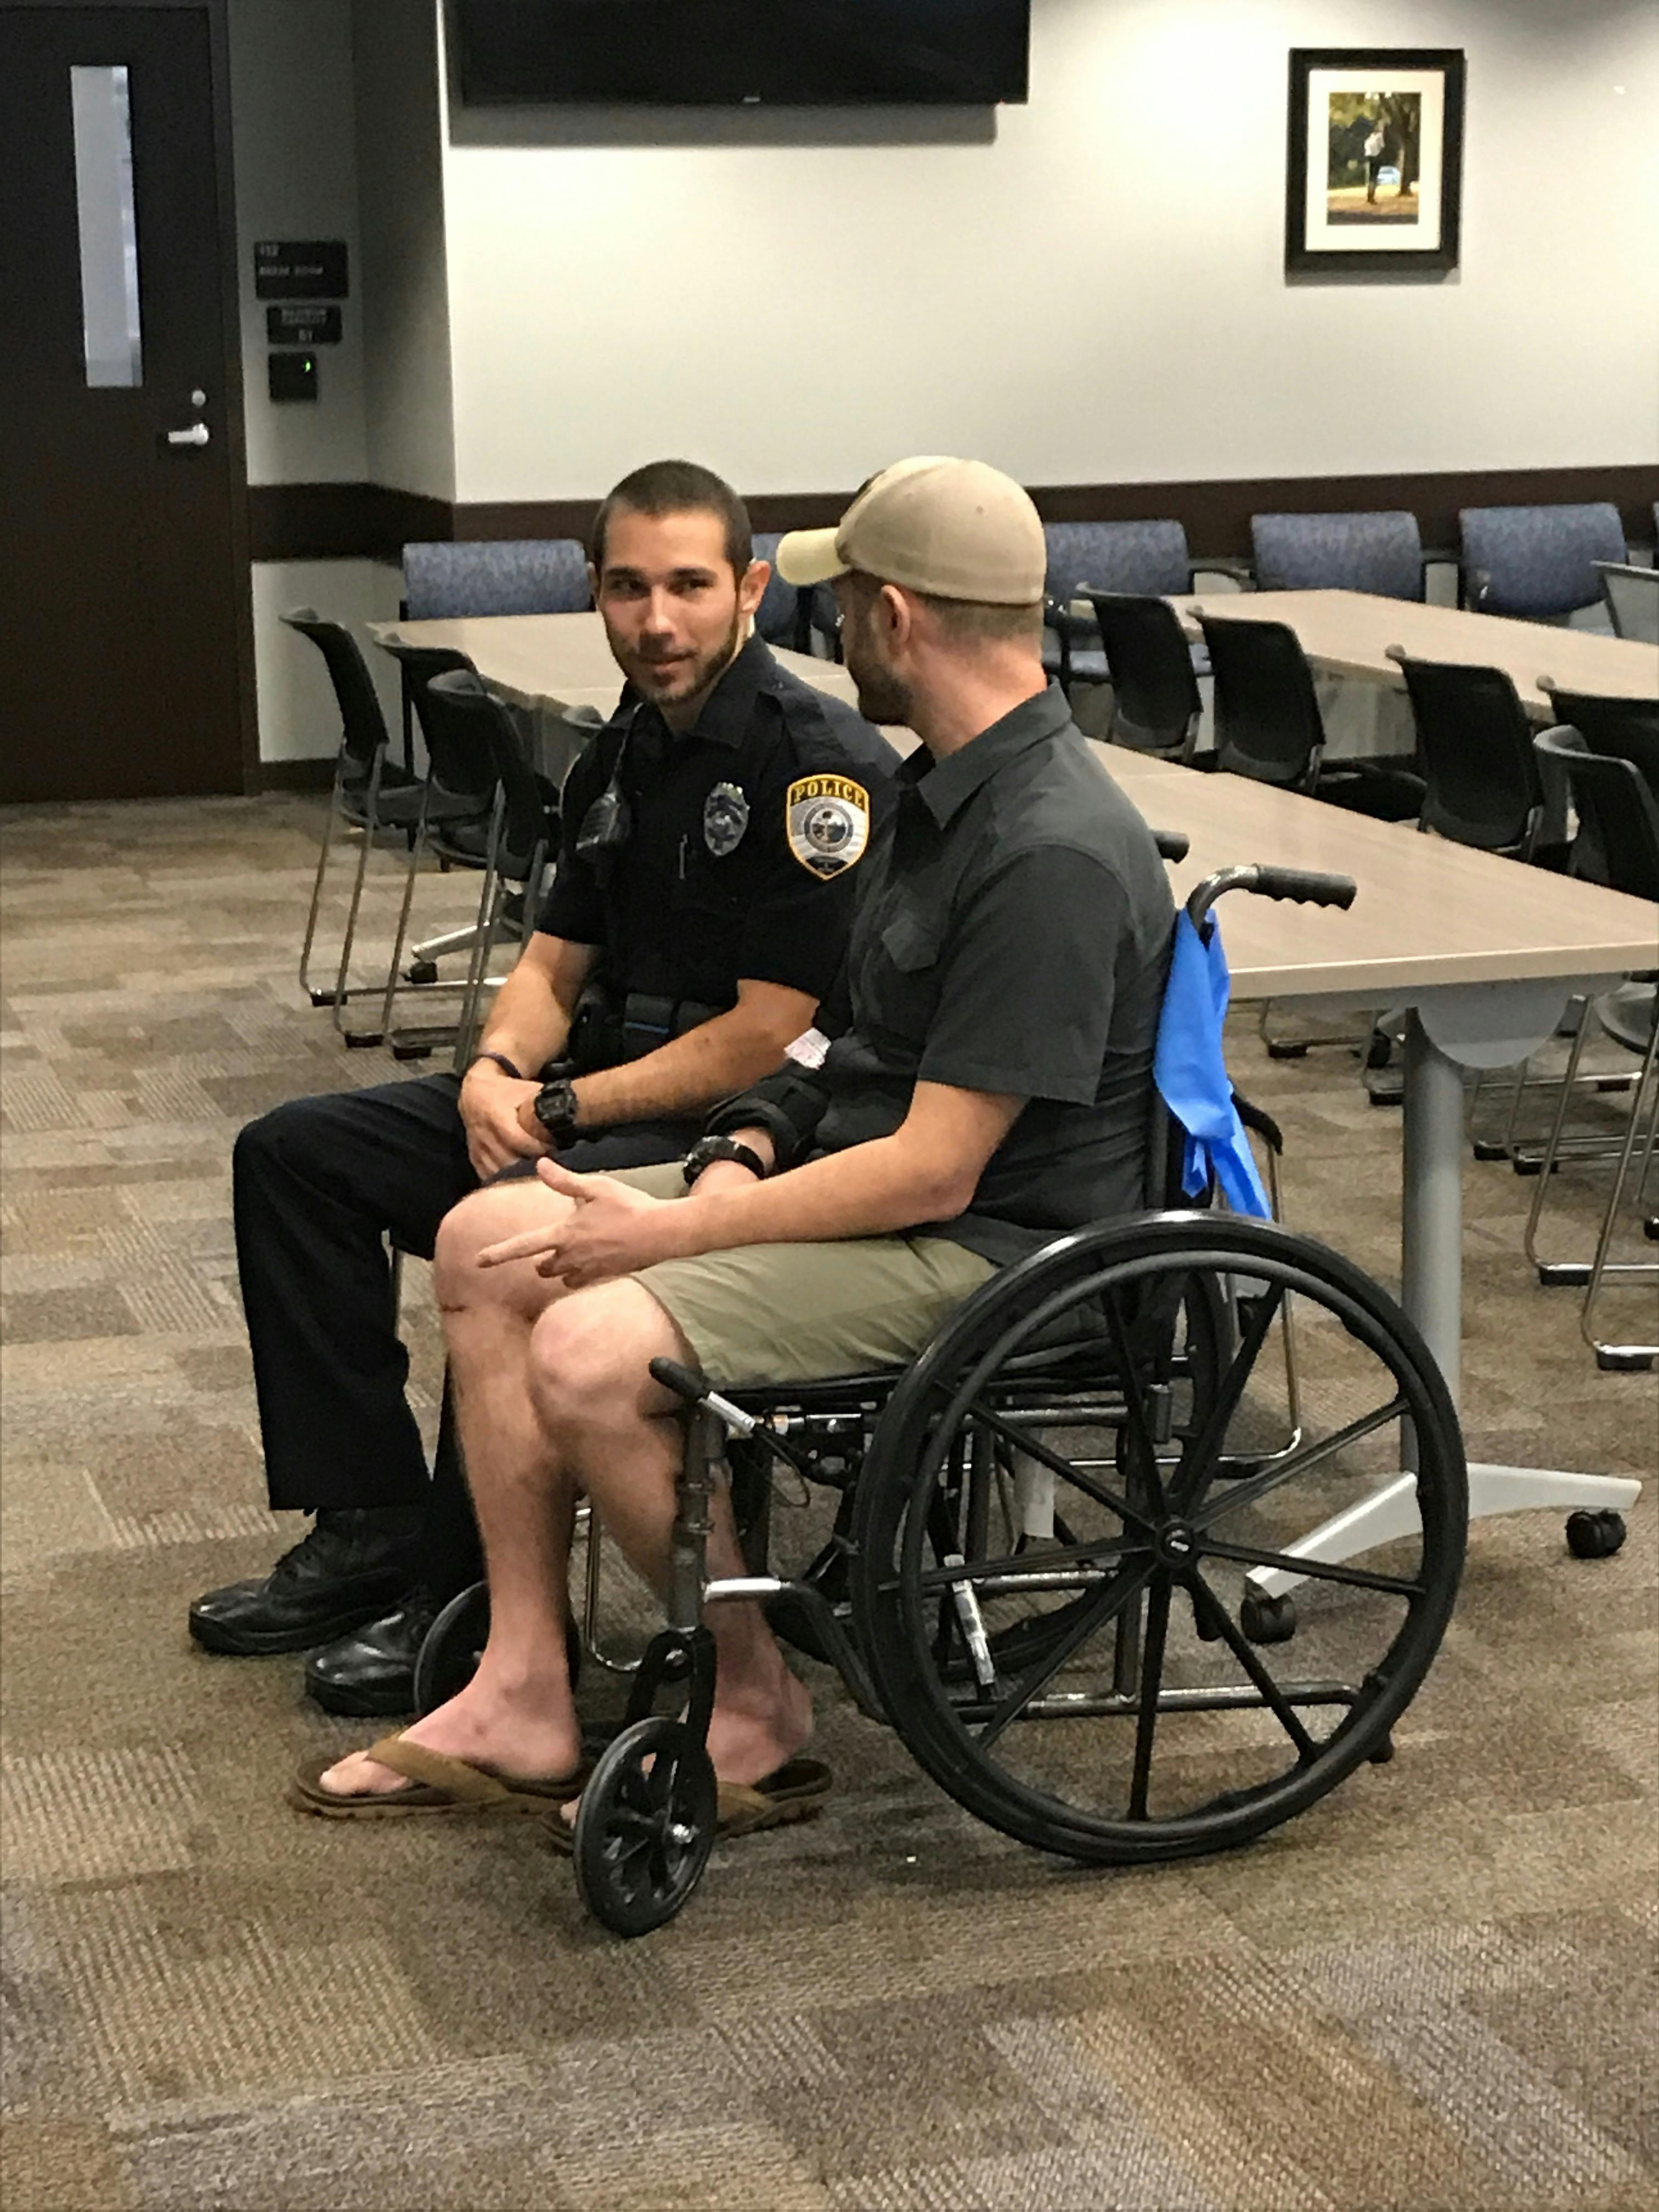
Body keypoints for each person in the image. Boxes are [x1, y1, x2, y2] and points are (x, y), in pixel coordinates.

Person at [291, 455, 1175, 1826]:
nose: (832, 630)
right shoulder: (945, 794)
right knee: (481, 1241)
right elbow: (833, 1042)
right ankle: (522, 1682)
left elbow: (938, 1167)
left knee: (589, 1347)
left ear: (893, 617)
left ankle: (754, 1692)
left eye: (844, 605)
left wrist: (679, 1226)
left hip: (989, 1247)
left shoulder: (1045, 845)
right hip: (873, 1190)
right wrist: (752, 1141)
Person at [191, 459, 893, 1714]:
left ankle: (465, 1606)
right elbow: (553, 962)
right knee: (294, 1155)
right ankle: (370, 1523)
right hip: (590, 1094)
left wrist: (559, 1114)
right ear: (594, 590)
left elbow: (768, 1035)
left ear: (749, 590)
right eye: (628, 588)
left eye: (688, 587)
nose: (656, 621)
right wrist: (495, 1073)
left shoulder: (812, 767)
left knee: (504, 1233)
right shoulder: (622, 747)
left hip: (728, 1133)